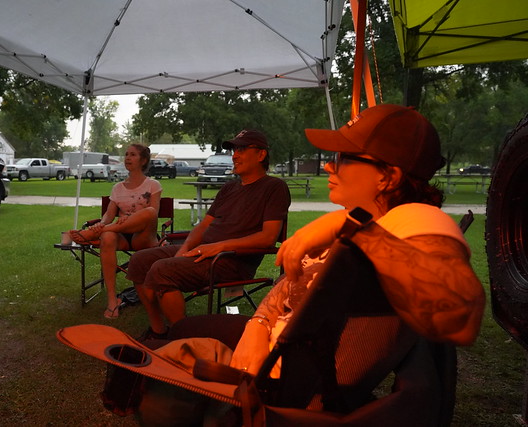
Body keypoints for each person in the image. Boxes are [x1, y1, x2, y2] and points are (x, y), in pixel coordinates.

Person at [230, 104, 486, 375]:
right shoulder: (366, 220)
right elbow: (288, 286)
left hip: (282, 381)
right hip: (266, 351)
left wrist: (352, 228)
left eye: (343, 158)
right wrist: (257, 324)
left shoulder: (416, 219)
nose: (329, 166)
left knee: (195, 338)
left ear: (387, 177)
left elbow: (460, 321)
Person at [126, 129, 291, 340]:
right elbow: (203, 226)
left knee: (161, 271)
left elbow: (268, 237)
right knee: (140, 261)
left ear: (261, 155)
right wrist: (184, 250)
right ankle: (159, 331)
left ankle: (184, 339)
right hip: (203, 251)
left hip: (231, 261)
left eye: (241, 149)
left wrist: (217, 247)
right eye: (233, 150)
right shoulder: (229, 188)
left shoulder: (274, 187)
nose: (234, 155)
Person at [69, 144, 162, 319]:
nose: (127, 158)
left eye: (132, 154)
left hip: (144, 236)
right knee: (108, 236)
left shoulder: (153, 185)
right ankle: (112, 301)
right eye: (126, 154)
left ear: (143, 160)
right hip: (122, 235)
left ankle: (95, 234)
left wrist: (127, 219)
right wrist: (101, 224)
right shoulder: (117, 188)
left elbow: (154, 215)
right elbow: (109, 215)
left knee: (149, 212)